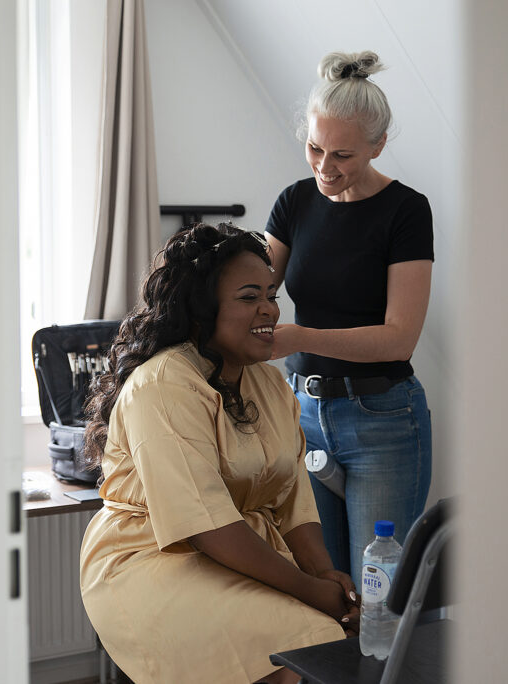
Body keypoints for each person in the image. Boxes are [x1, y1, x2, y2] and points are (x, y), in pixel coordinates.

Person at [79, 223, 359, 684]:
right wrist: (310, 591)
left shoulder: (269, 382)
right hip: (148, 558)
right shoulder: (162, 385)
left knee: (338, 634)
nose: (269, 309)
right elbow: (208, 526)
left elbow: (293, 498)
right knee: (308, 640)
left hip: (235, 550)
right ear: (200, 310)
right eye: (249, 297)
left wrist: (326, 577)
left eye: (271, 294)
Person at [264, 50, 434, 585]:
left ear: (379, 145)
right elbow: (253, 291)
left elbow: (398, 340)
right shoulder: (294, 203)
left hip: (382, 420)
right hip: (303, 416)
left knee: (375, 597)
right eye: (314, 147)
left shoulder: (406, 212)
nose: (323, 167)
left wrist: (297, 336)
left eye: (342, 155)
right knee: (322, 586)